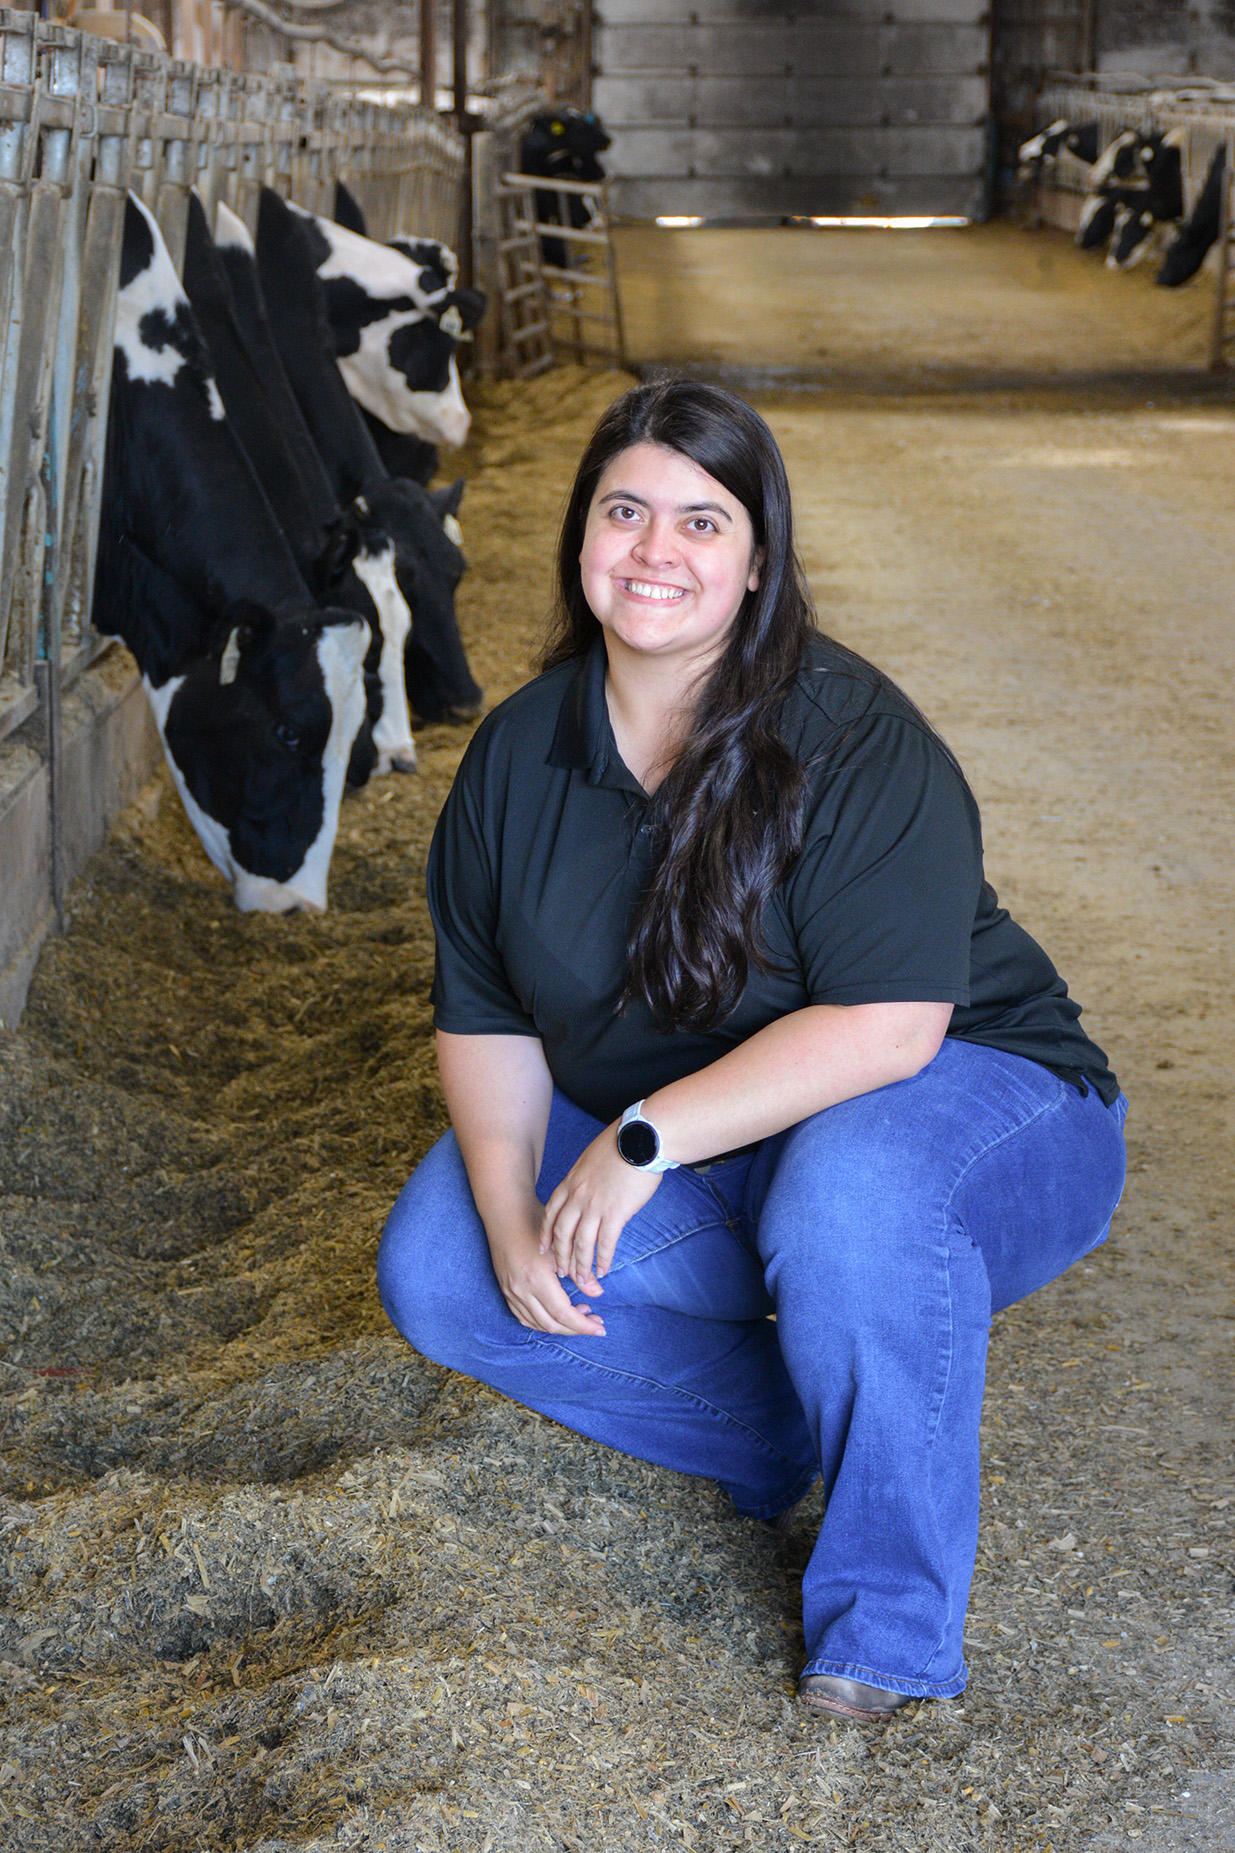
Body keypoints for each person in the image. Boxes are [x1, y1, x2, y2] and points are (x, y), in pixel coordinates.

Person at [377, 380, 1127, 1724]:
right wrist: (506, 1210)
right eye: (625, 511)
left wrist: (641, 1136)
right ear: (578, 539)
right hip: (727, 1140)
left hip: (977, 1103)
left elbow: (893, 1028)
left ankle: (886, 1634)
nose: (656, 549)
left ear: (758, 560)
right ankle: (784, 1429)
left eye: (701, 521)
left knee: (849, 1195)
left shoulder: (852, 737)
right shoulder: (517, 756)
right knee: (440, 1266)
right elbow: (484, 1017)